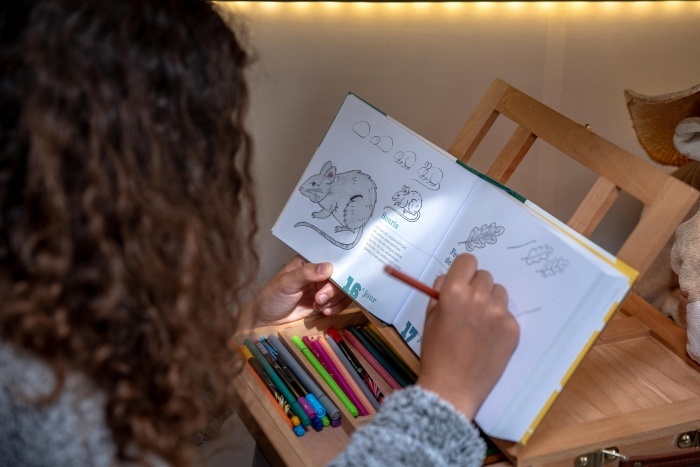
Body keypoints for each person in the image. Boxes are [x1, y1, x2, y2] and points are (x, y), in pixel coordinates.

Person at [0, 1, 519, 466]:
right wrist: (445, 400)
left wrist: (249, 329)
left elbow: (133, 413)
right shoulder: (37, 388)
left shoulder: (41, 312)